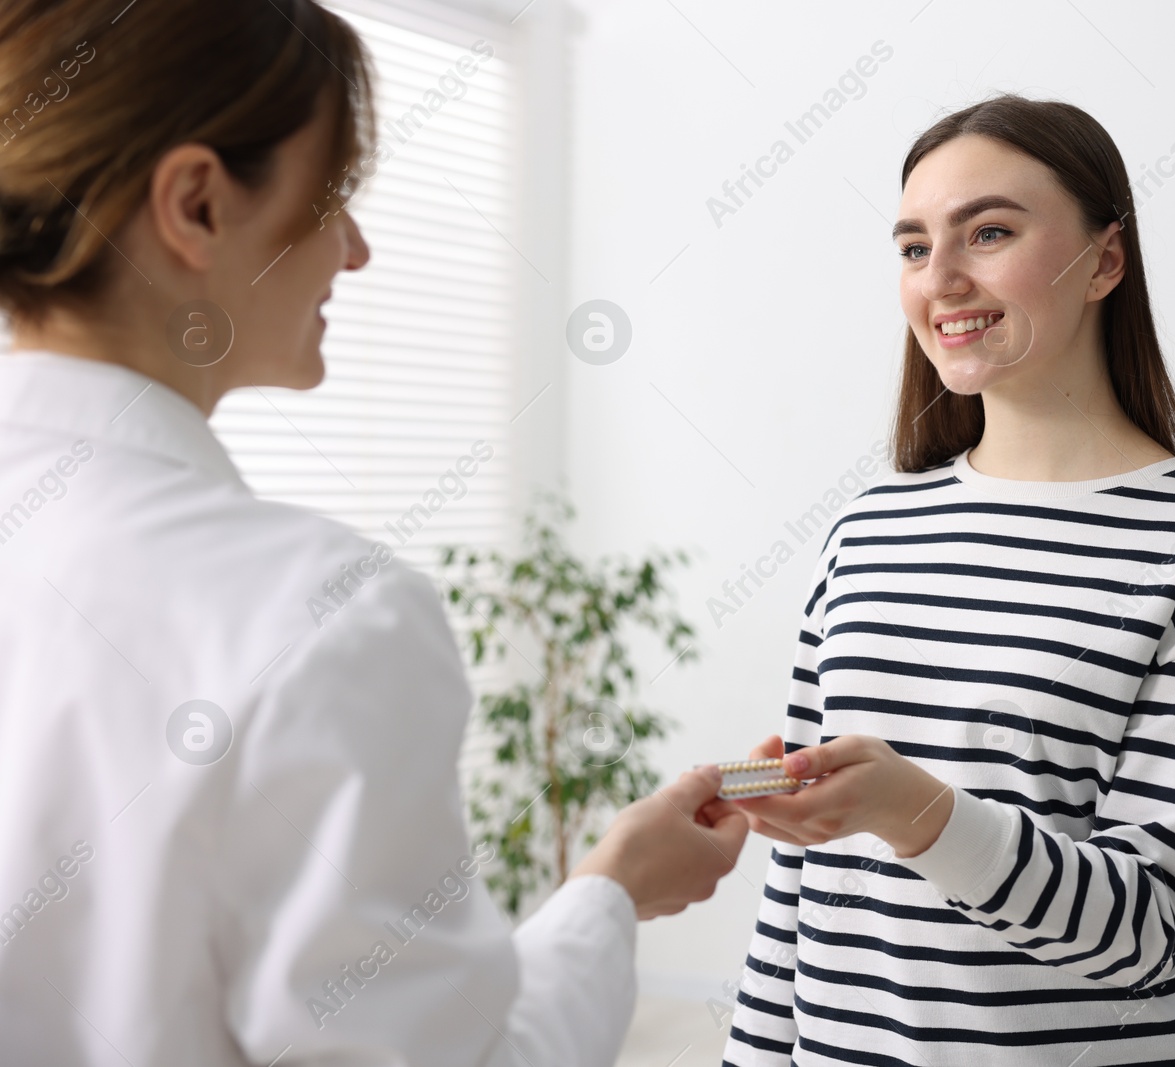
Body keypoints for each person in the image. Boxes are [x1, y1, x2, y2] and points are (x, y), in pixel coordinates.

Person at [0, 2, 747, 1064]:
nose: (355, 249)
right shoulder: (317, 614)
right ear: (198, 205)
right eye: (333, 198)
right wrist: (610, 893)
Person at [720, 95, 1175, 1066]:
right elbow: (799, 881)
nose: (939, 279)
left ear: (1105, 260)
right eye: (911, 246)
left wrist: (918, 811)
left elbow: (1145, 923)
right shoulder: (867, 530)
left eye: (987, 232)